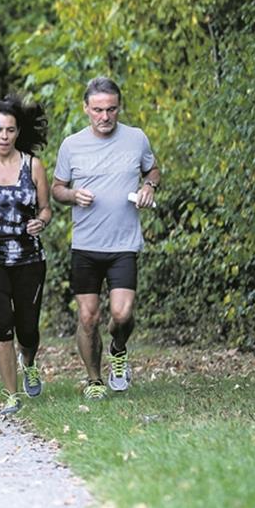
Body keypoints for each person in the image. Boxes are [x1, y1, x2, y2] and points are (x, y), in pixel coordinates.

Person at [52, 76, 159, 400]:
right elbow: (56, 189)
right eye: (98, 110)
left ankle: (119, 347)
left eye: (111, 109)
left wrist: (149, 187)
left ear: (118, 107)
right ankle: (94, 380)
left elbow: (153, 171)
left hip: (123, 244)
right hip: (85, 246)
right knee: (88, 317)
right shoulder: (71, 144)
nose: (105, 117)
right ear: (86, 108)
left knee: (122, 315)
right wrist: (72, 195)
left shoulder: (136, 138)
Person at [0, 94, 51, 414]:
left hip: (29, 257)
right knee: (1, 325)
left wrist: (40, 221)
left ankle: (28, 361)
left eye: (10, 130)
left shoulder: (33, 166)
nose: (3, 137)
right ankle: (11, 393)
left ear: (18, 132)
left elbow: (46, 209)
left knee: (27, 329)